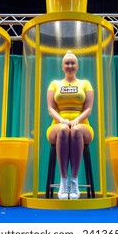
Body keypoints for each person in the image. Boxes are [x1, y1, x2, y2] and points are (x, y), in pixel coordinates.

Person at [46, 50, 94, 200]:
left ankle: (74, 180)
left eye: (73, 63)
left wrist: (76, 121)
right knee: (64, 131)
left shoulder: (85, 84)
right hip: (57, 125)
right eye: (67, 63)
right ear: (62, 66)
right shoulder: (54, 84)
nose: (70, 65)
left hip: (82, 125)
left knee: (76, 131)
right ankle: (63, 180)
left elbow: (88, 109)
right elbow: (50, 108)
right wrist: (62, 120)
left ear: (77, 66)